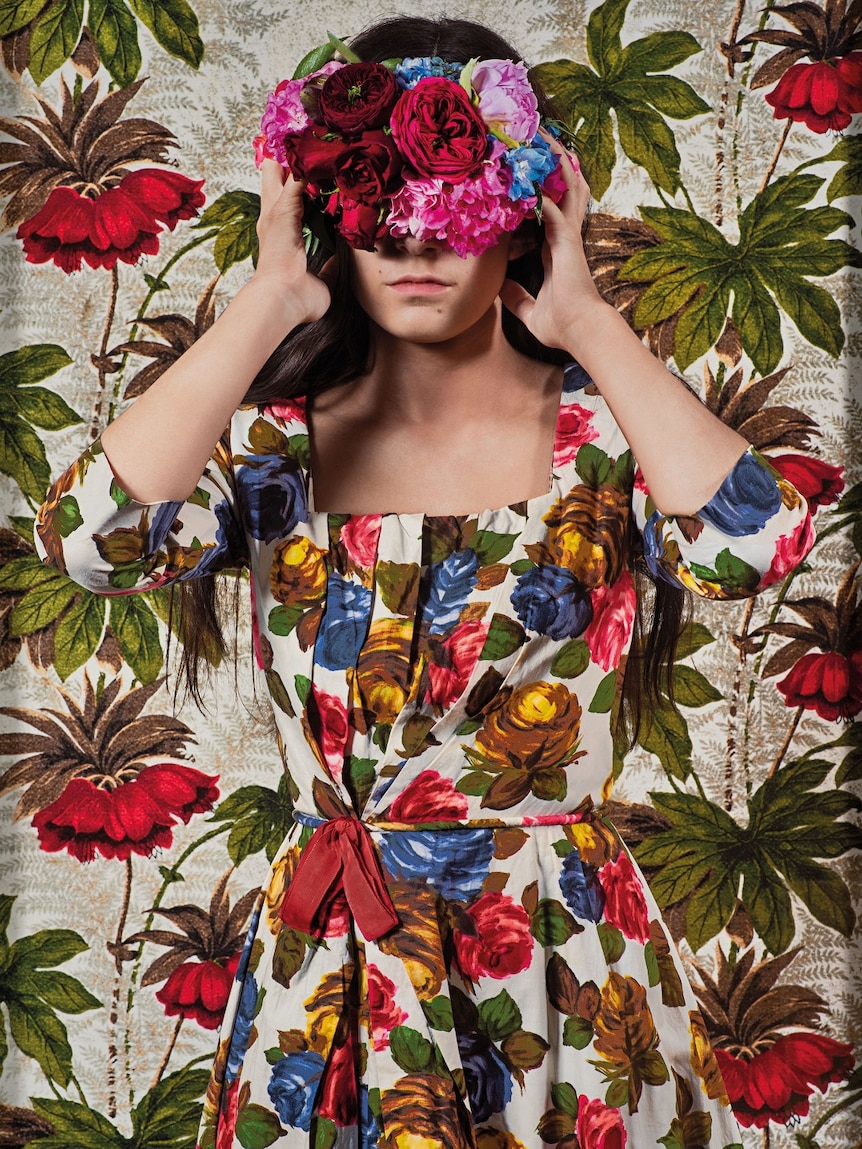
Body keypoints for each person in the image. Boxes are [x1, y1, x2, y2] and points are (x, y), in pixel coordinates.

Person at [34, 15, 812, 1149]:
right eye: (375, 208)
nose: (415, 244)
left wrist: (588, 320)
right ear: (329, 218)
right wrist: (268, 301)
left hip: (555, 958)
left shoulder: (606, 439)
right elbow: (90, 539)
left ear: (524, 217)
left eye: (452, 211)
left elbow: (754, 548)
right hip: (330, 962)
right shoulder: (273, 453)